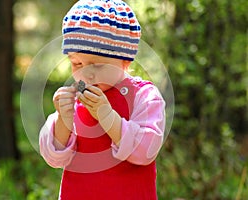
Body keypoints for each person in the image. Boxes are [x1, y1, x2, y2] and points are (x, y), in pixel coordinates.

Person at [39, 0, 166, 199]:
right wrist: (63, 119)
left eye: (96, 65)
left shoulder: (143, 96)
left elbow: (145, 152)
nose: (85, 74)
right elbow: (54, 157)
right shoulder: (77, 96)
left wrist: (106, 115)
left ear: (125, 59)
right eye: (77, 63)